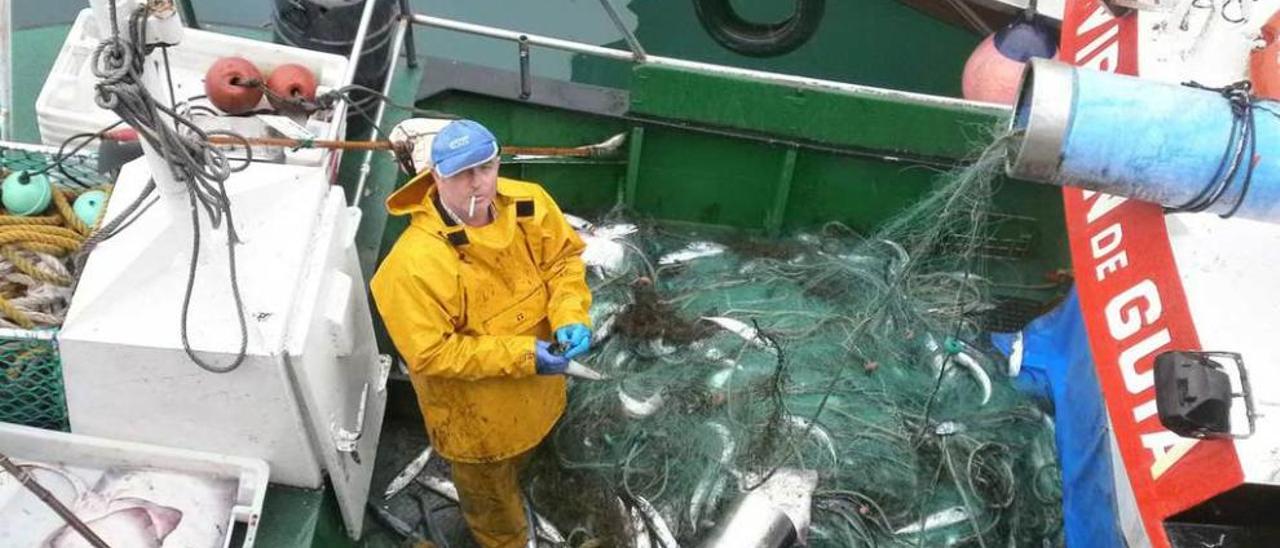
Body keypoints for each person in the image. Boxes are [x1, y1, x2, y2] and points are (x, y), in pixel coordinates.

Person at [371, 119, 592, 547]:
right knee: (492, 506)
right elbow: (432, 354)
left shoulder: (529, 202)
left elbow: (563, 261)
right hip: (478, 425)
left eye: (487, 167)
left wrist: (571, 313)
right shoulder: (410, 267)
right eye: (461, 174)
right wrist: (527, 355)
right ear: (435, 177)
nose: (479, 184)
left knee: (533, 451)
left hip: (543, 395)